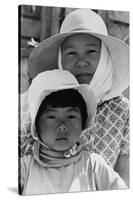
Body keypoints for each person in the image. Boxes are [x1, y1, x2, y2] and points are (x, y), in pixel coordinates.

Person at [20, 9, 129, 186]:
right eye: (71, 53)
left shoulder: (124, 111)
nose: (81, 61)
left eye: (91, 52)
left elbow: (125, 180)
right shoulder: (31, 102)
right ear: (60, 58)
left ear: (105, 57)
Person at [20, 69, 127, 195]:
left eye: (71, 116)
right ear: (36, 126)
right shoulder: (23, 168)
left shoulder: (94, 166)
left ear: (83, 122)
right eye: (51, 117)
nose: (62, 126)